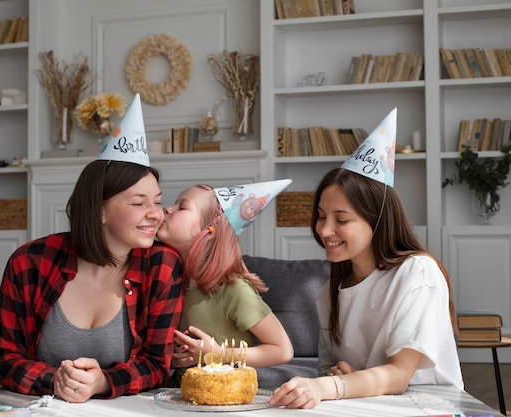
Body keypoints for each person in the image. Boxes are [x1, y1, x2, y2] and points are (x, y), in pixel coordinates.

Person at [0, 94, 185, 402]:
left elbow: (156, 364)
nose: (156, 214)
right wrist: (56, 380)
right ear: (99, 210)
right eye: (138, 203)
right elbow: (6, 358)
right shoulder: (29, 262)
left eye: (158, 201)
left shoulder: (163, 266)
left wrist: (102, 382)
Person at [270, 108, 463, 409]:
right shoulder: (330, 292)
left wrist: (331, 384)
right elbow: (333, 373)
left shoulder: (418, 274)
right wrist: (341, 378)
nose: (325, 230)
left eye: (341, 220)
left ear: (378, 220)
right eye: (321, 217)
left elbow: (399, 374)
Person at [156, 180, 295, 386]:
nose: (167, 208)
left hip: (228, 397)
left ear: (207, 230)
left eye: (182, 207)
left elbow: (282, 350)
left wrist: (218, 353)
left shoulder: (234, 290)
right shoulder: (169, 282)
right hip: (179, 394)